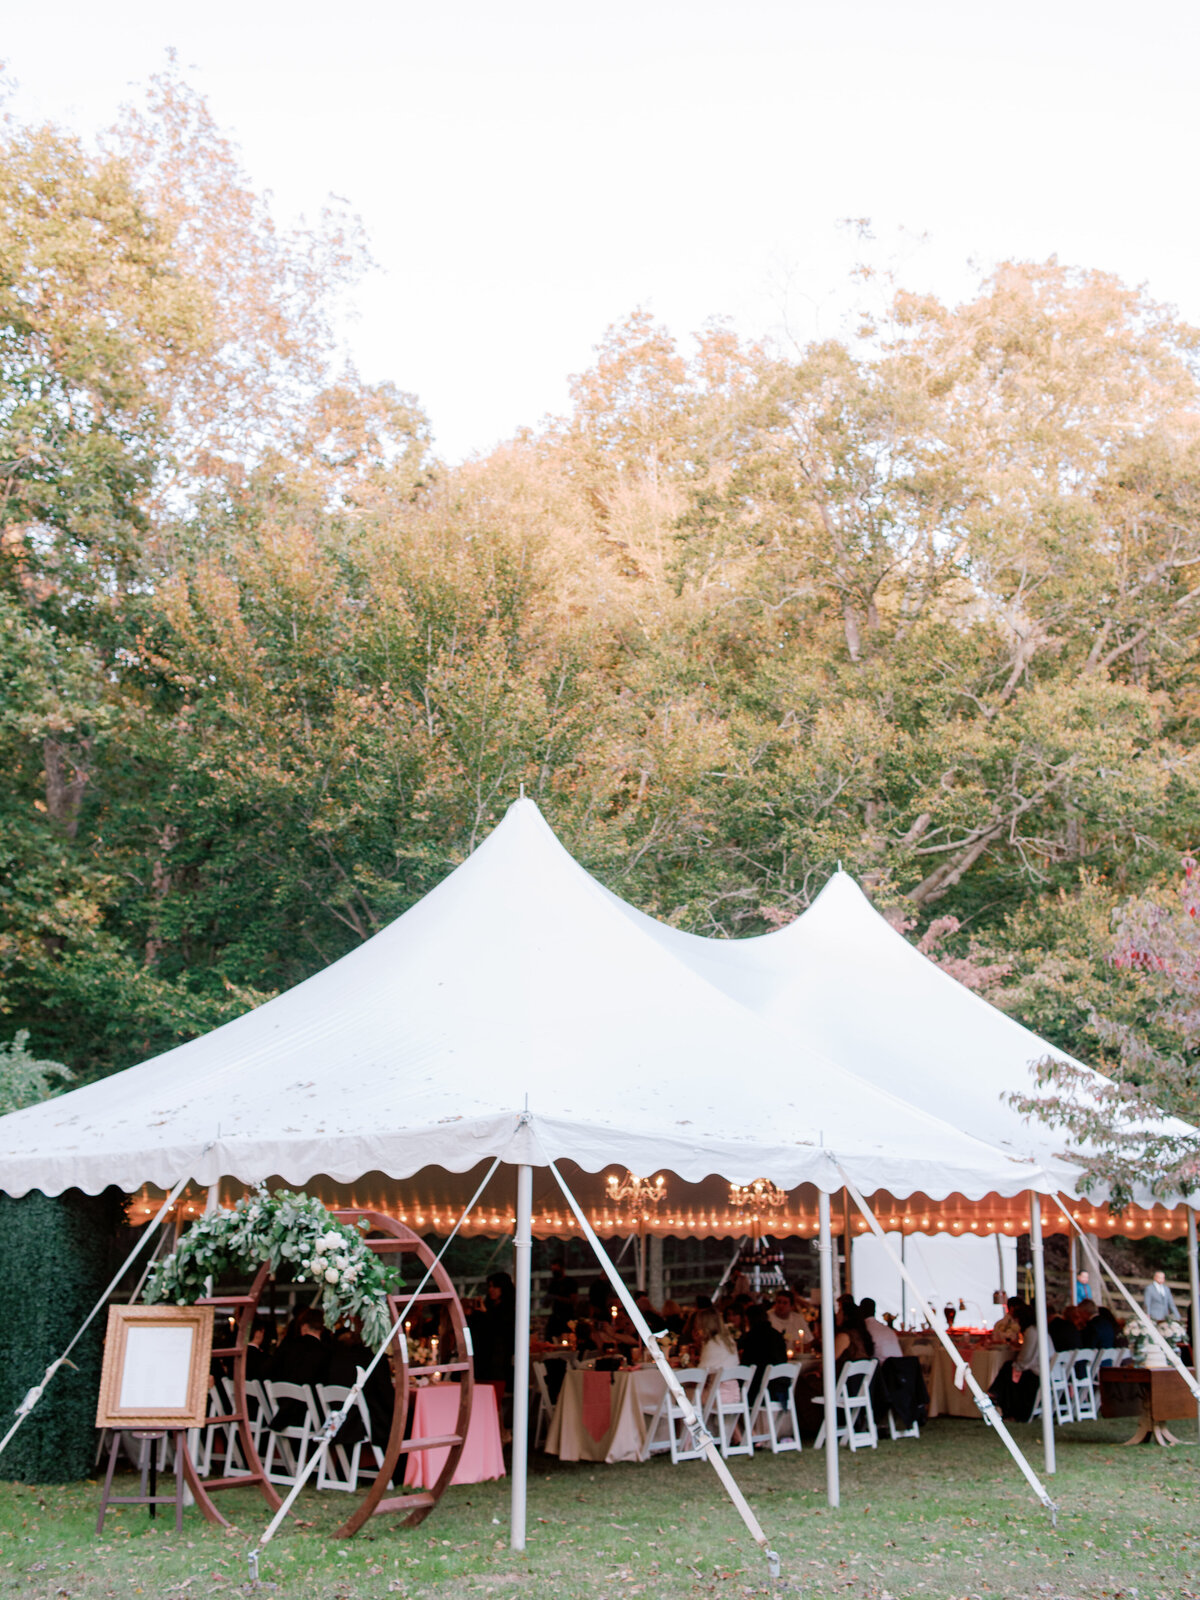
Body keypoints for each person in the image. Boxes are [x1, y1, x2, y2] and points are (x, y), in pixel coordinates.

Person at [988, 1301, 1052, 1422]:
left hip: (1036, 1372)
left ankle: (996, 1396)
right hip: (1042, 1369)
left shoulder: (1031, 1332)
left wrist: (1016, 1366)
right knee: (1008, 1369)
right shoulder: (1038, 1330)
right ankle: (995, 1394)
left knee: (1008, 1369)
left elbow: (1025, 1358)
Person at [738, 1303, 787, 1403]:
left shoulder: (751, 1337)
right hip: (779, 1388)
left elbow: (746, 1364)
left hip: (760, 1389)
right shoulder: (776, 1334)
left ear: (748, 1319)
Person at [859, 1298, 902, 1362]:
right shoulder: (887, 1329)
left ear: (861, 1310)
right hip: (901, 1365)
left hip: (883, 1367)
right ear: (874, 1311)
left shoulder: (865, 1329)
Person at [545, 1260, 578, 1338]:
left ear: (562, 1269)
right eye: (553, 1270)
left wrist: (558, 1298)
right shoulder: (553, 1284)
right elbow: (547, 1303)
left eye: (556, 1270)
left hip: (567, 1316)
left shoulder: (570, 1282)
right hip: (556, 1316)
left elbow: (573, 1300)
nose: (554, 1272)